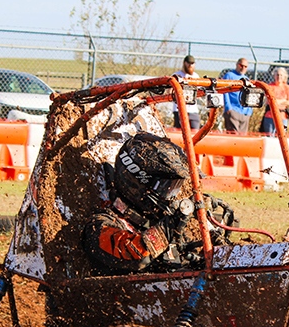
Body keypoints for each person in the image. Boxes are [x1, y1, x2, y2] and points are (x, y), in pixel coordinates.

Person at [82, 133, 199, 274]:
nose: (170, 196)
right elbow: (138, 255)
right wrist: (169, 226)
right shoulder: (99, 226)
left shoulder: (156, 221)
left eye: (174, 187)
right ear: (137, 182)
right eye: (165, 187)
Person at [221, 58, 252, 134]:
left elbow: (249, 95)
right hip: (233, 111)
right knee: (233, 136)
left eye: (245, 66)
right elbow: (224, 92)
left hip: (244, 112)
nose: (243, 68)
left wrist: (249, 111)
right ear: (237, 65)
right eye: (241, 65)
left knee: (243, 138)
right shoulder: (229, 76)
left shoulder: (246, 79)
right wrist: (228, 108)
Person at [260, 68, 289, 136]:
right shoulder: (270, 86)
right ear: (274, 76)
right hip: (270, 115)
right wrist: (283, 101)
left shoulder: (287, 88)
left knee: (281, 136)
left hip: (282, 116)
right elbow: (268, 101)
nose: (279, 77)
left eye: (281, 75)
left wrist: (275, 100)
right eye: (277, 75)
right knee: (269, 136)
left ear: (284, 77)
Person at [173, 55, 201, 129]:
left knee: (195, 131)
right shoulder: (176, 75)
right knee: (181, 131)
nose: (190, 65)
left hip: (193, 110)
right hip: (179, 109)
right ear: (184, 63)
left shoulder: (196, 76)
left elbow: (200, 91)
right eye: (188, 63)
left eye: (192, 63)